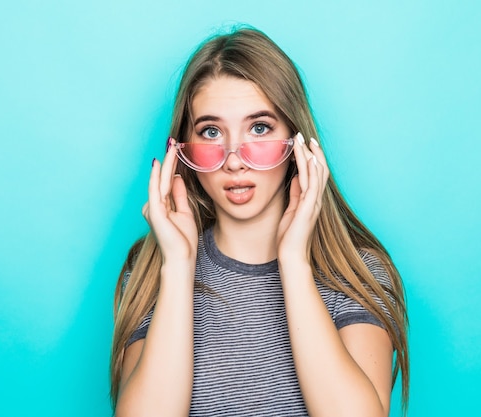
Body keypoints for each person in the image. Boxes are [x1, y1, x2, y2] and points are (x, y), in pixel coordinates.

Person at [110, 26, 409, 416]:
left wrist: (294, 262)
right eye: (211, 131)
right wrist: (178, 267)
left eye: (259, 128)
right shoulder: (151, 271)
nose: (234, 159)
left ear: (298, 142)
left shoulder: (357, 274)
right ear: (182, 148)